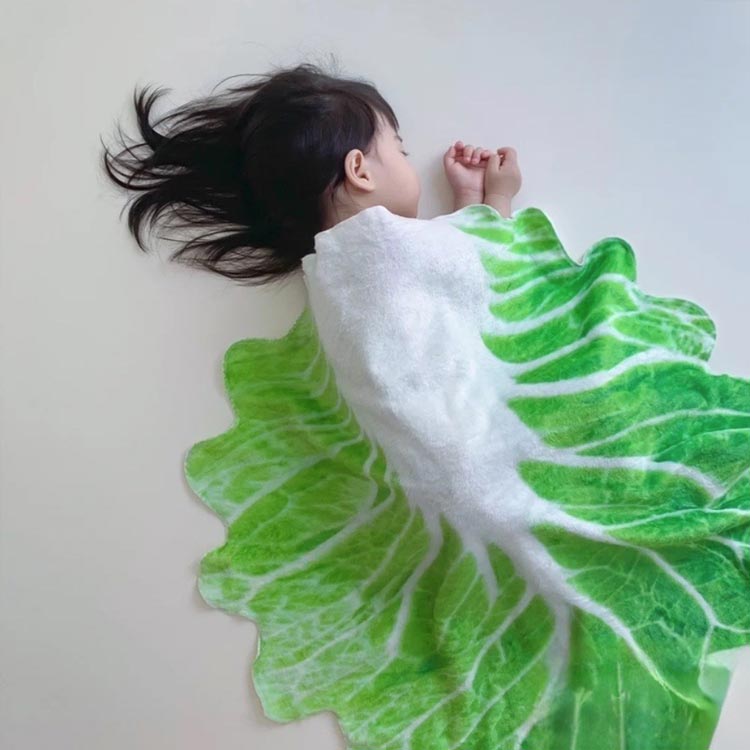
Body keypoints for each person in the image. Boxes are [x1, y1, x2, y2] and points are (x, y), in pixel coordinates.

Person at [100, 59, 522, 287]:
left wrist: (469, 198)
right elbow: (484, 279)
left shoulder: (331, 274)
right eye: (400, 149)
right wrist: (495, 197)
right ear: (359, 170)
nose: (406, 158)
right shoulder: (388, 250)